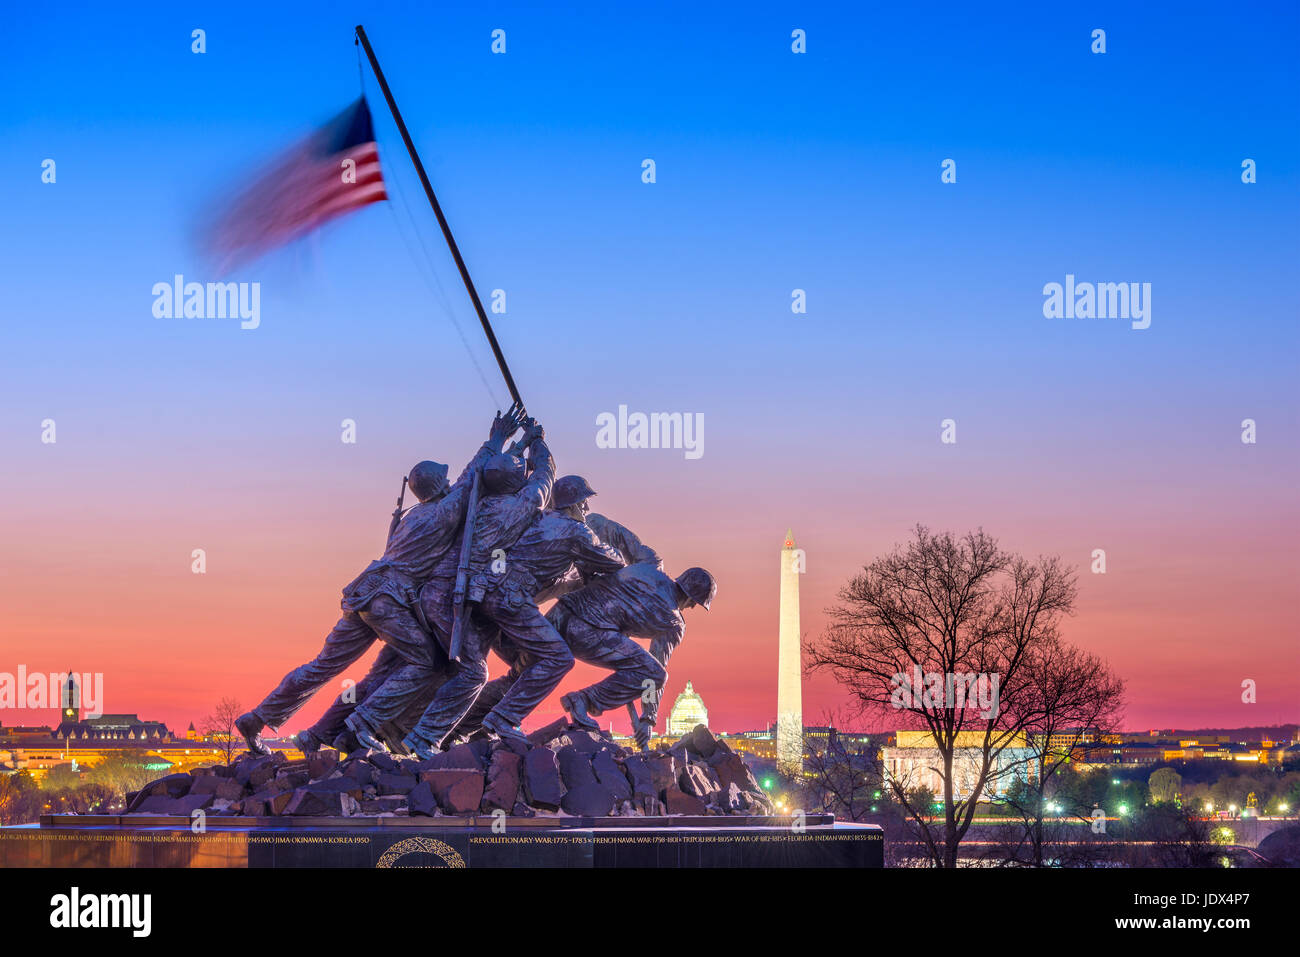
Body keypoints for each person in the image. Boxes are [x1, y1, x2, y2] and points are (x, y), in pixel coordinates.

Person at [233, 406, 522, 755]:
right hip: (389, 599)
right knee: (424, 661)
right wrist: (496, 439)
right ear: (439, 485)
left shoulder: (411, 518)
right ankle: (364, 721)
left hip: (363, 592)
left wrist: (509, 449)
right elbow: (471, 478)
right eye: (444, 481)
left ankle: (259, 717)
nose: (449, 483)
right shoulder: (442, 514)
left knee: (322, 666)